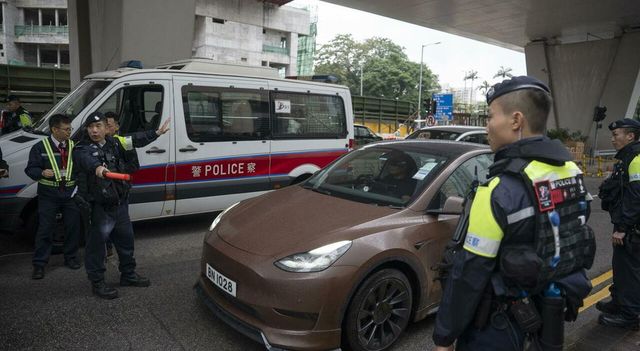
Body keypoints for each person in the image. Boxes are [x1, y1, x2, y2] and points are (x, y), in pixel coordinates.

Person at [433, 76, 595, 351]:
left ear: (516, 120)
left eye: (490, 117)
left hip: (497, 328)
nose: (487, 126)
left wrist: (444, 337)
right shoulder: (572, 175)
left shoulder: (499, 191)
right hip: (549, 316)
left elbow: (469, 273)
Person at [74, 112, 150, 299]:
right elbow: (87, 161)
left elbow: (135, 140)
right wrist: (98, 168)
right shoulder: (81, 148)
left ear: (106, 128)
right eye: (91, 127)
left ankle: (128, 275)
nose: (94, 130)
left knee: (126, 241)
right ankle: (98, 282)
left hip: (120, 203)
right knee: (97, 247)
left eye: (98, 126)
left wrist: (156, 133)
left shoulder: (115, 143)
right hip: (98, 206)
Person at [101, 111, 170, 257]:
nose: (105, 129)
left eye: (108, 125)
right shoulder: (94, 144)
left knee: (121, 226)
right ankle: (106, 248)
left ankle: (124, 257)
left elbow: (136, 156)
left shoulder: (122, 142)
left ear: (117, 127)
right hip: (102, 193)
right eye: (103, 125)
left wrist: (157, 133)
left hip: (119, 191)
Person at [24, 114, 82, 279]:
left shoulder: (74, 146)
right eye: (66, 129)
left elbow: (80, 169)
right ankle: (40, 264)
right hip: (48, 195)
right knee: (45, 229)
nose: (69, 132)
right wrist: (41, 172)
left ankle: (70, 258)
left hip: (70, 195)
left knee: (73, 227)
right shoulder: (40, 147)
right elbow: (30, 169)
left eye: (70, 129)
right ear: (54, 129)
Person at [596, 118, 640, 330]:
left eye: (616, 135)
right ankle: (619, 302)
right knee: (621, 267)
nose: (613, 139)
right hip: (628, 224)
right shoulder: (629, 157)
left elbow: (636, 196)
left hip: (631, 228)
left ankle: (629, 315)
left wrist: (622, 228)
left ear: (630, 136)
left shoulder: (636, 158)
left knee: (629, 270)